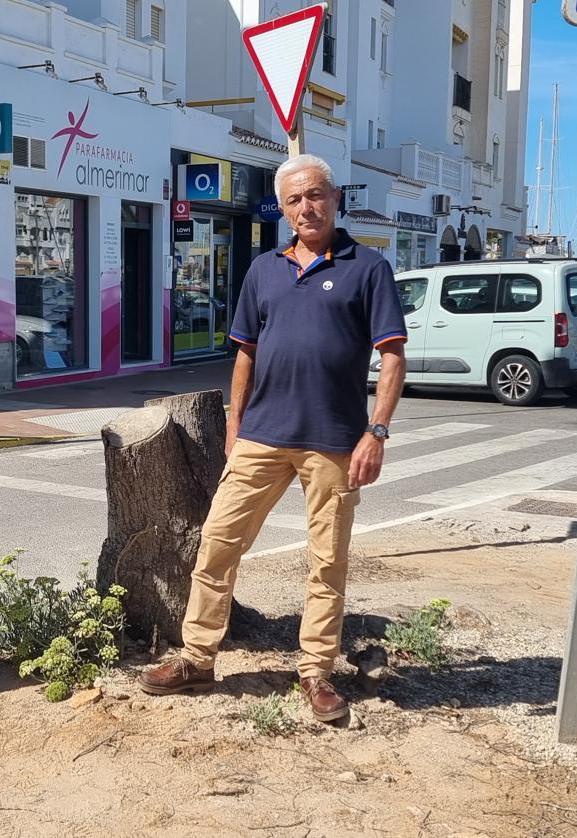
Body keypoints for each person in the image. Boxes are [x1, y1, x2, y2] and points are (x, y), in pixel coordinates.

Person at [138, 154, 407, 721]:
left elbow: (391, 358)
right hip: (262, 435)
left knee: (326, 562)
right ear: (282, 209)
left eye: (315, 195)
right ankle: (197, 657)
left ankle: (315, 672)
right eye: (294, 200)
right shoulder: (263, 268)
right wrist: (235, 425)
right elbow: (245, 352)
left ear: (336, 198)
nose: (306, 207)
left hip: (334, 440)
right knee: (217, 543)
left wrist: (376, 432)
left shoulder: (368, 268)